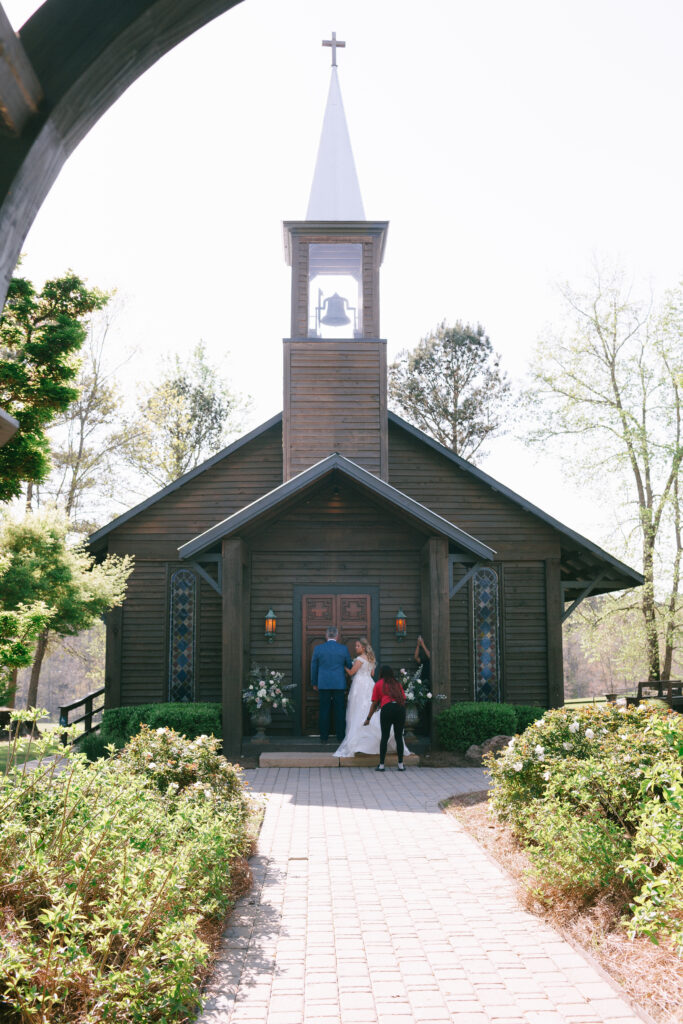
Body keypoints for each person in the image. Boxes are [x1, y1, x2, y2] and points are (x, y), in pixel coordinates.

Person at [310, 626, 352, 743]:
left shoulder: (318, 649)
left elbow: (313, 667)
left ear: (326, 635)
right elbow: (349, 665)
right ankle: (340, 737)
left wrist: (314, 682)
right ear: (337, 636)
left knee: (324, 710)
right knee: (340, 711)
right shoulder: (343, 649)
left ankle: (324, 737)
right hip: (339, 683)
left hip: (323, 683)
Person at [364, 664, 407, 772]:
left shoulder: (378, 684)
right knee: (398, 737)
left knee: (385, 736)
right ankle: (401, 765)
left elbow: (374, 703)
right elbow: (403, 698)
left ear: (381, 673)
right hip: (399, 709)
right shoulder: (397, 684)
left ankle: (382, 765)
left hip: (387, 710)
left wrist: (368, 718)